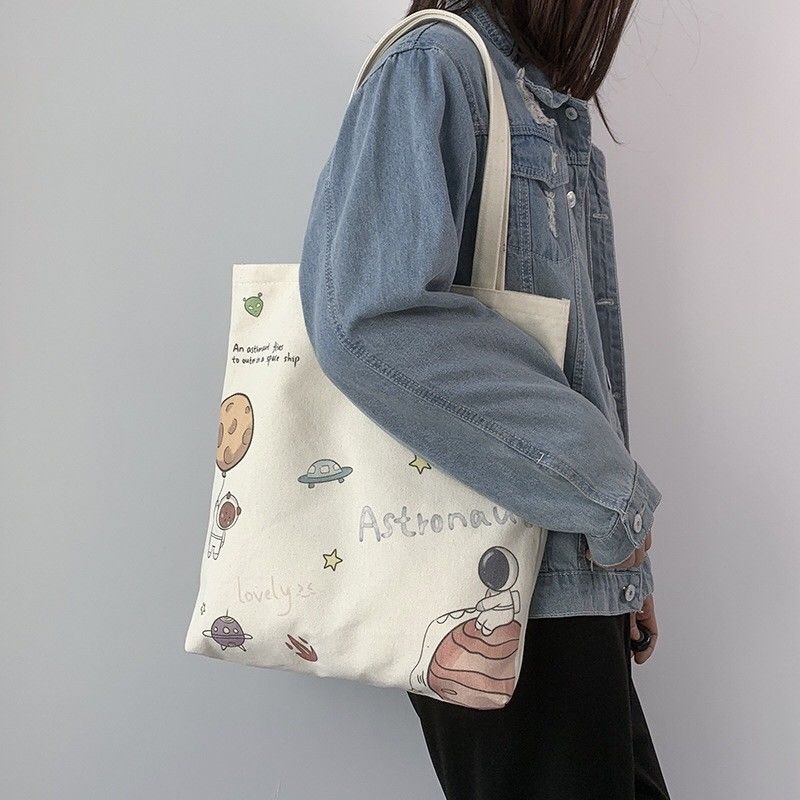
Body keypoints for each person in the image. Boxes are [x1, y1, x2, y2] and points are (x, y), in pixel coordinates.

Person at [298, 0, 670, 797]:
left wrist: (616, 569)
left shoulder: (528, 94)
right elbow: (370, 317)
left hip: (562, 580)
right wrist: (608, 496)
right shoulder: (434, 64)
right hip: (495, 597)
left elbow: (572, 360)